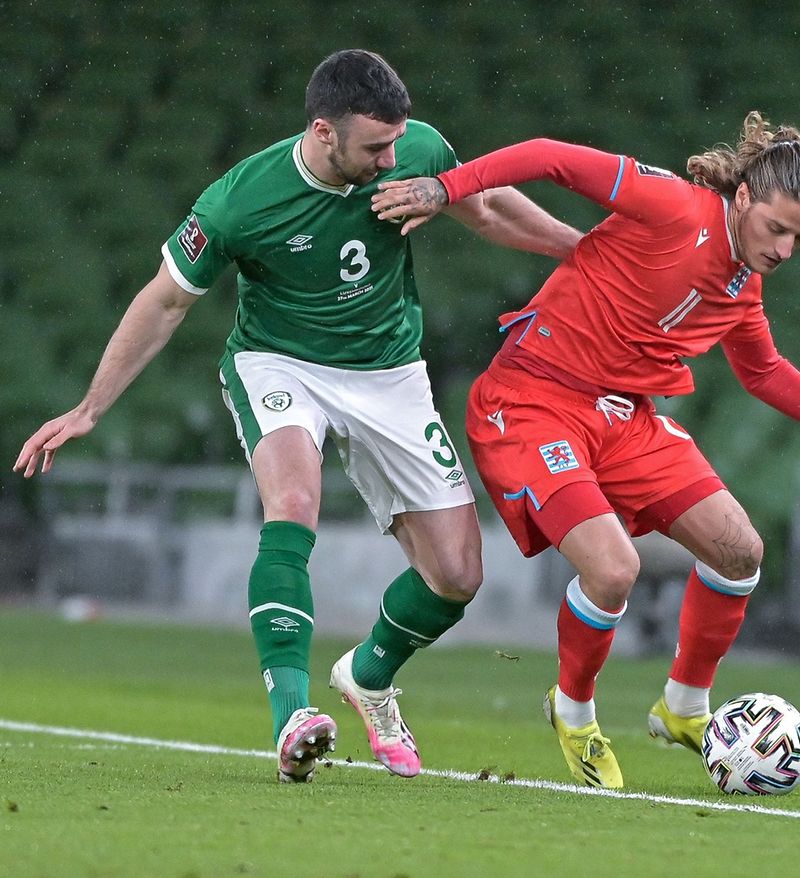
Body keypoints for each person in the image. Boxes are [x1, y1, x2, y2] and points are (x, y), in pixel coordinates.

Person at [13, 49, 582, 784]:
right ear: (322, 132)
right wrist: (91, 407)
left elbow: (489, 207)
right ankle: (292, 714)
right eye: (375, 148)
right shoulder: (238, 202)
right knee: (294, 501)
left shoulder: (418, 148)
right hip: (280, 364)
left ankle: (369, 677)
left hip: (389, 372)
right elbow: (164, 300)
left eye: (396, 144)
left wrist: (582, 248)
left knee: (457, 574)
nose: (390, 159)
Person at [373, 112, 800, 789]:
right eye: (779, 228)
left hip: (624, 420)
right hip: (534, 402)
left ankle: (684, 706)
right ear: (743, 199)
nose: (788, 248)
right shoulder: (672, 205)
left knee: (740, 551)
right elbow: (550, 153)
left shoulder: (744, 284)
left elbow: (762, 373)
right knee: (613, 569)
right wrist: (448, 188)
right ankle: (573, 708)